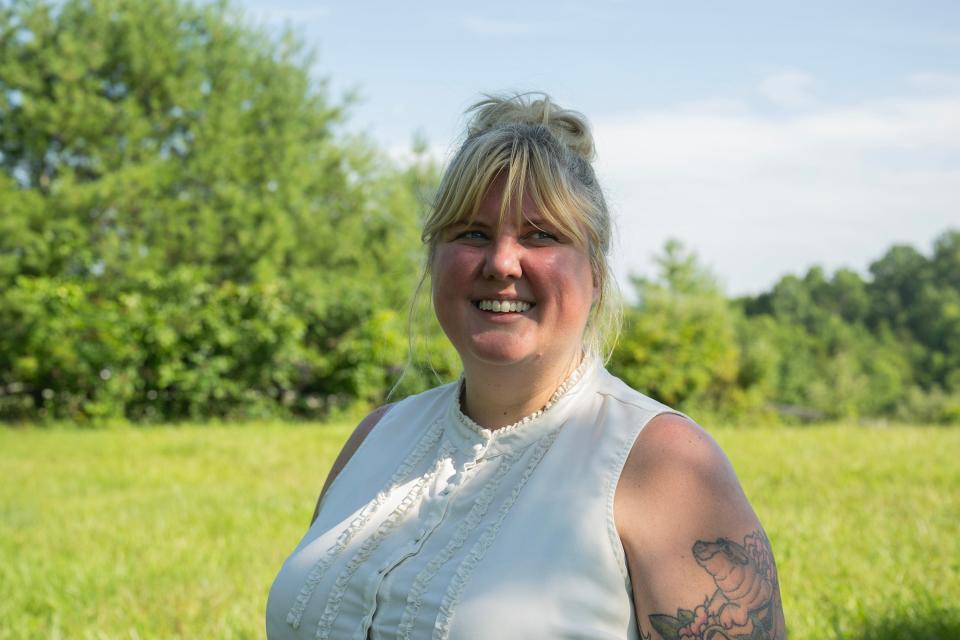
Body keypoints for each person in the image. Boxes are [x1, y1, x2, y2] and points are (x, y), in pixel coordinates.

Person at [266, 92, 786, 640]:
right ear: (434, 260)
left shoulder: (665, 465)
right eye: (471, 233)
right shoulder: (375, 437)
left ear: (596, 274)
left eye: (542, 235)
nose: (501, 262)